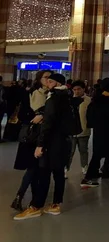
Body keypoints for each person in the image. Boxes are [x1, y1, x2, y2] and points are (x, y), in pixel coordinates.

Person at [14, 74, 73, 220]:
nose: (48, 82)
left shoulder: (53, 98)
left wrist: (40, 144)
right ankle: (55, 204)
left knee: (43, 173)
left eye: (51, 80)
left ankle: (36, 206)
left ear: (57, 83)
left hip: (52, 142)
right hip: (63, 141)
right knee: (58, 173)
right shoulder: (66, 96)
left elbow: (48, 124)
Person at [11, 70, 51, 213]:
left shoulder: (52, 94)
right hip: (32, 136)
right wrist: (37, 116)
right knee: (34, 167)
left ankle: (26, 198)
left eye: (50, 78)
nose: (48, 80)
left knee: (35, 168)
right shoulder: (32, 93)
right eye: (45, 78)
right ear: (39, 79)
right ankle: (23, 197)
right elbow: (23, 114)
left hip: (42, 136)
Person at [66, 80, 91, 177]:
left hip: (84, 129)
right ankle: (66, 168)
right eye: (74, 89)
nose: (76, 91)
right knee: (70, 151)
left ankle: (84, 167)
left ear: (83, 89)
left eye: (79, 89)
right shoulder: (69, 100)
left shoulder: (88, 100)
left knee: (83, 150)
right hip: (71, 130)